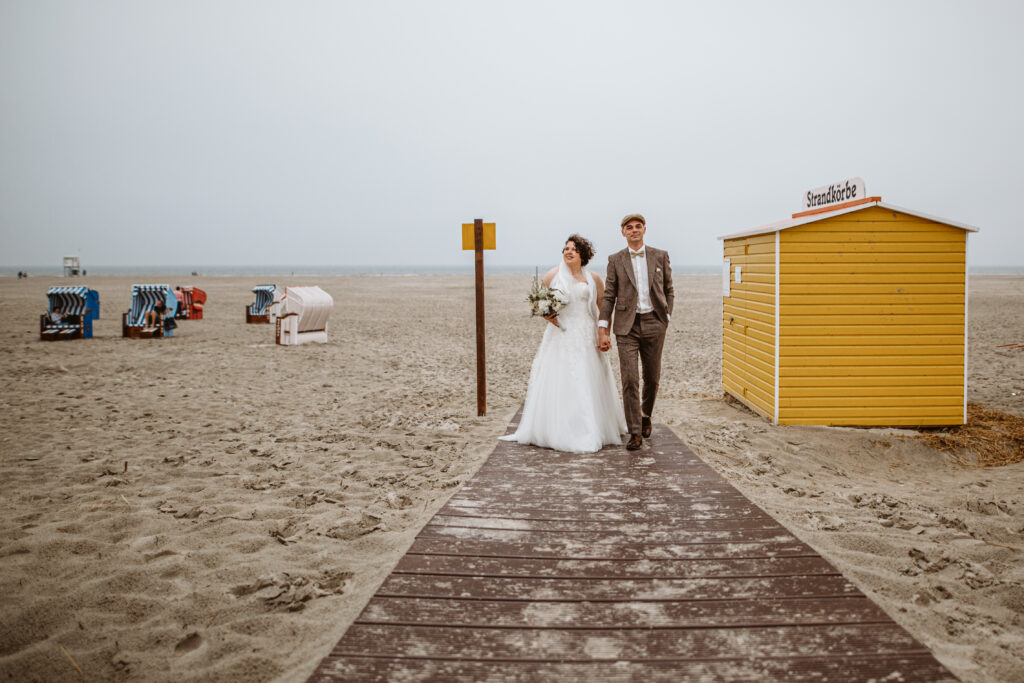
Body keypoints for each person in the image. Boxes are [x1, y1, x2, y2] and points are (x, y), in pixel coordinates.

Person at [501, 234, 627, 453]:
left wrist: (603, 333)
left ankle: (593, 426)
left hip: (586, 333)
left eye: (574, 249)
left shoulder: (594, 278)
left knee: (588, 377)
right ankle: (562, 429)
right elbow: (540, 302)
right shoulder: (552, 275)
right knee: (562, 377)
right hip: (561, 334)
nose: (568, 252)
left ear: (583, 255)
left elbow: (602, 308)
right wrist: (545, 314)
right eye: (566, 248)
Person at [598, 214, 674, 451]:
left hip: (655, 323)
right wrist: (603, 327)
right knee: (630, 379)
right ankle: (635, 432)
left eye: (638, 227)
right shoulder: (615, 260)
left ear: (644, 230)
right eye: (629, 228)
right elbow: (609, 295)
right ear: (623, 232)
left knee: (652, 377)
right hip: (626, 327)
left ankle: (645, 415)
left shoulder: (659, 255)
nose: (634, 230)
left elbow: (669, 289)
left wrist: (666, 317)